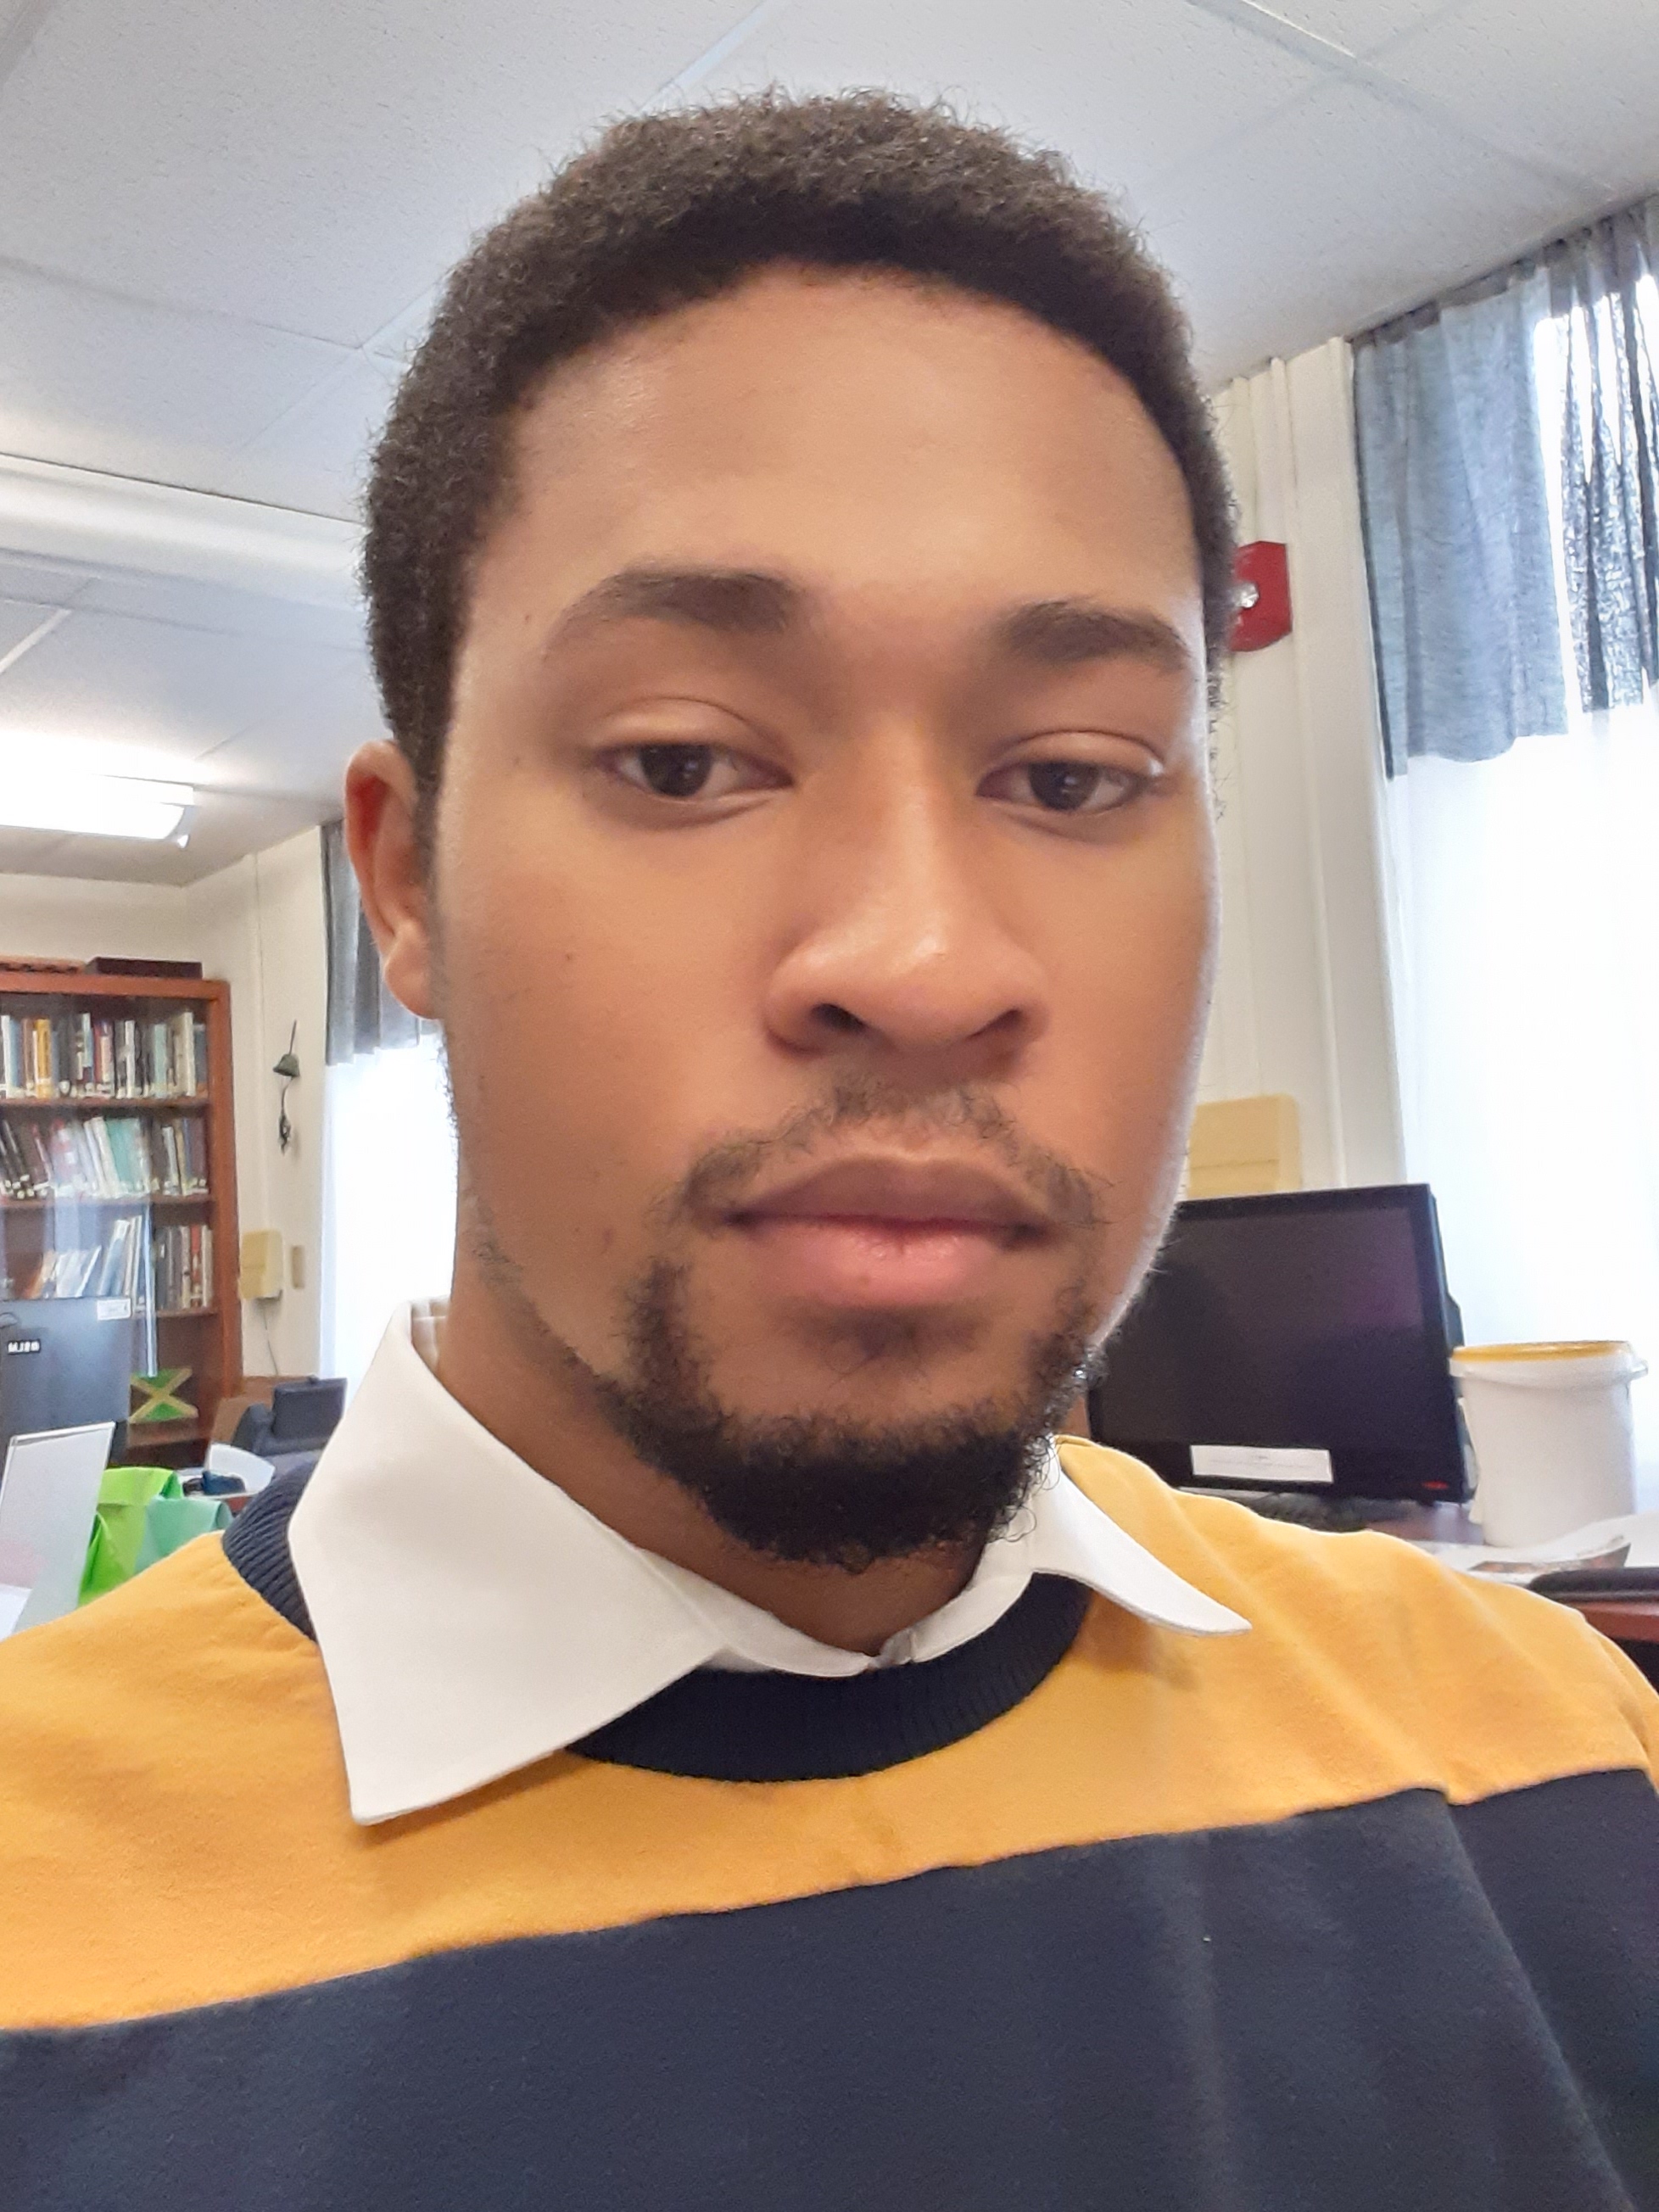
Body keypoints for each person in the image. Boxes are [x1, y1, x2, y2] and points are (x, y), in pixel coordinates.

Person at [1, 93, 1655, 2212]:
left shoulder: (1554, 1754)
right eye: (686, 757)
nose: (922, 956)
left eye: (1072, 773)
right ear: (406, 887)